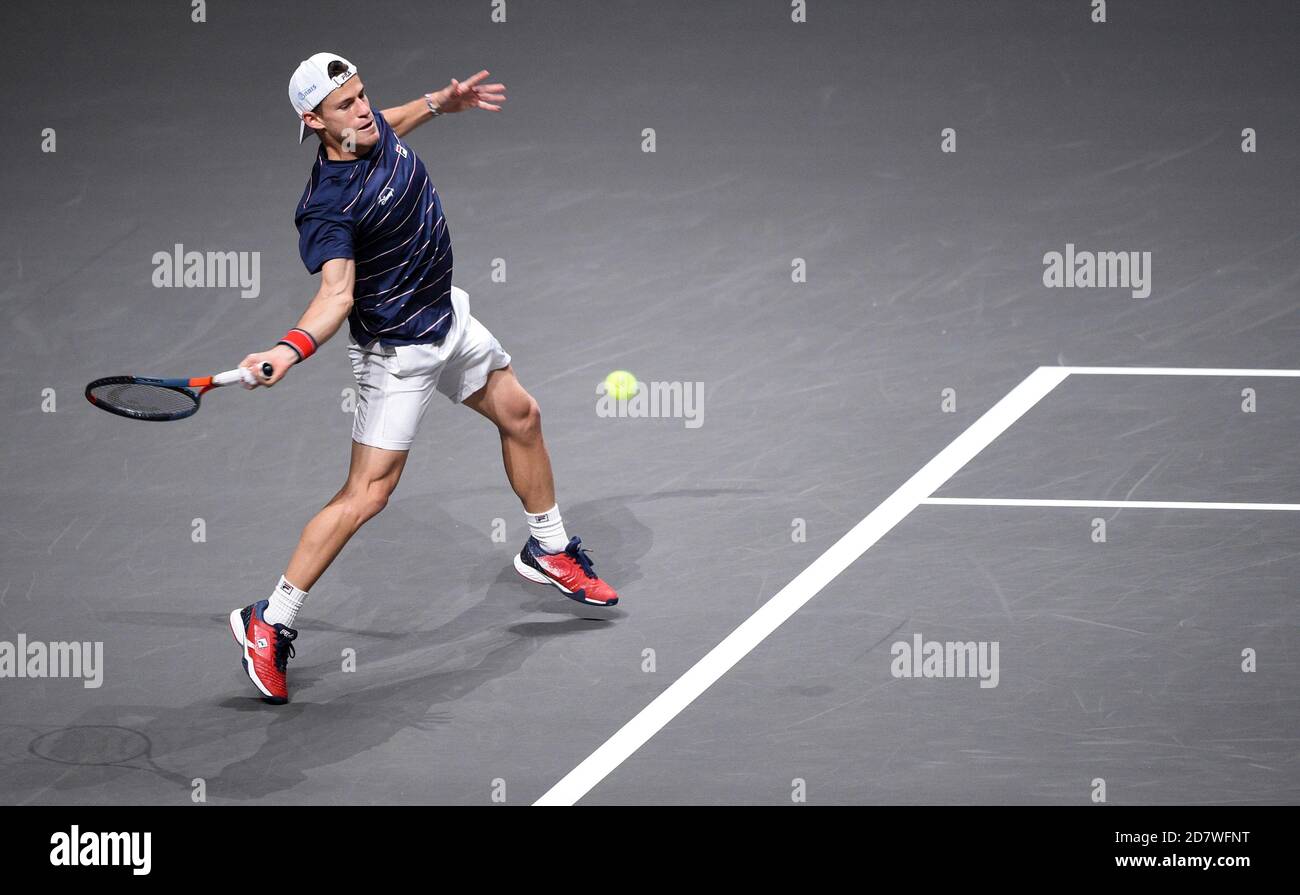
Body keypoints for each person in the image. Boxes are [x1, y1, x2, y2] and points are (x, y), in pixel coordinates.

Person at [227, 52, 618, 705]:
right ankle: (270, 619)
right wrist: (286, 351)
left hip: (446, 317)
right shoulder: (328, 205)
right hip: (398, 352)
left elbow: (394, 120)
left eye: (361, 94)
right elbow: (335, 295)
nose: (362, 109)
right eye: (345, 104)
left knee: (522, 414)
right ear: (313, 121)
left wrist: (441, 101)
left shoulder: (367, 126)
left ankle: (547, 549)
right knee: (366, 496)